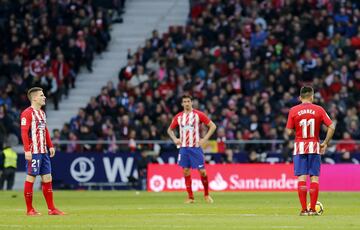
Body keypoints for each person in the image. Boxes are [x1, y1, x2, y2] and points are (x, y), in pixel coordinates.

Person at [286, 86, 335, 216]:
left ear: (300, 97)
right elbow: (332, 126)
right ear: (312, 96)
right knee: (314, 178)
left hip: (300, 146)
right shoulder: (319, 109)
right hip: (314, 146)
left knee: (302, 178)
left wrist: (296, 131)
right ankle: (313, 209)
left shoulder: (293, 110)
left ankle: (303, 210)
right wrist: (324, 143)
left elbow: (289, 131)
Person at [20, 87, 65, 216]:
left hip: (43, 152)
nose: (44, 97)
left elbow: (44, 130)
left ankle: (52, 209)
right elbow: (23, 132)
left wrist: (50, 146)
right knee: (31, 177)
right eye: (41, 95)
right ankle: (29, 209)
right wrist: (27, 150)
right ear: (34, 98)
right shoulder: (27, 113)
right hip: (33, 152)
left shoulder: (42, 113)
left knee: (47, 178)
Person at [167, 95, 217, 203]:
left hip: (195, 148)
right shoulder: (179, 117)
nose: (186, 103)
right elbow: (169, 130)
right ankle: (190, 197)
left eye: (188, 101)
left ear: (191, 103)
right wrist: (175, 139)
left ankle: (207, 195)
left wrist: (205, 139)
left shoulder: (198, 115)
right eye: (184, 101)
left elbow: (213, 126)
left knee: (203, 172)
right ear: (182, 104)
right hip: (184, 148)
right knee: (185, 171)